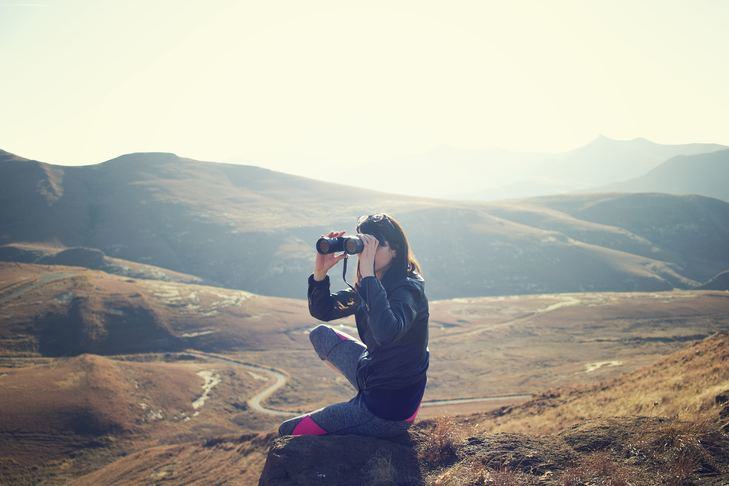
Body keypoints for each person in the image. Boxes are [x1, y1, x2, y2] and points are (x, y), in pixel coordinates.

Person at [278, 212, 429, 438]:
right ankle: (361, 398)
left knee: (288, 431)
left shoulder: (408, 290)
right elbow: (324, 311)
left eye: (376, 246)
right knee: (320, 335)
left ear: (396, 250)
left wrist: (368, 275)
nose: (366, 253)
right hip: (373, 372)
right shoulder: (375, 283)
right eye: (364, 245)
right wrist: (319, 274)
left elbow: (387, 332)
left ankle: (360, 412)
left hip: (388, 408)